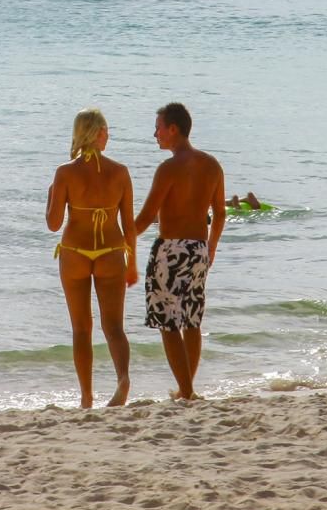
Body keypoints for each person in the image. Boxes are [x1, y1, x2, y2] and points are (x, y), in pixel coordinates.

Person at [46, 107, 138, 409]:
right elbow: (128, 225)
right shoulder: (120, 172)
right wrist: (133, 263)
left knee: (81, 329)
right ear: (96, 133)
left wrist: (52, 193)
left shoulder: (65, 172)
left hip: (75, 253)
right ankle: (122, 379)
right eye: (106, 130)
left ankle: (86, 397)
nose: (108, 135)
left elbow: (53, 223)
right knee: (114, 327)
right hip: (111, 253)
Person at [135, 102, 225, 401]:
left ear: (173, 129)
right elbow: (220, 214)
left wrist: (119, 238)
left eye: (158, 127)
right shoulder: (212, 164)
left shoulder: (169, 168)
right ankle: (187, 389)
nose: (155, 134)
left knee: (168, 323)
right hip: (198, 249)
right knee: (191, 320)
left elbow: (147, 216)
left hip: (170, 251)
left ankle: (186, 391)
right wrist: (210, 249)